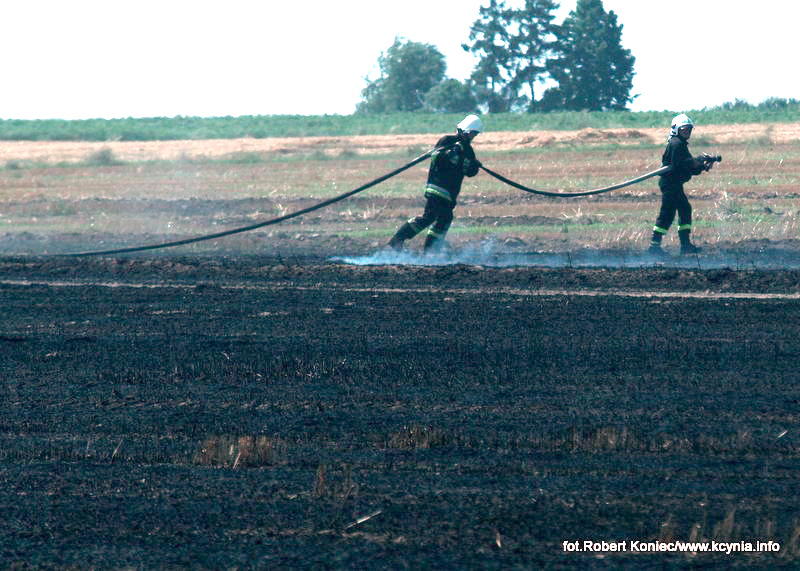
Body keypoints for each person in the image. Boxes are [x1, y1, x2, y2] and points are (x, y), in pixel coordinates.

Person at [388, 114, 483, 252]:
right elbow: (438, 158)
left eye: (474, 135)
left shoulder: (468, 150)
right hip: (437, 188)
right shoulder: (447, 141)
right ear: (465, 130)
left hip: (450, 193)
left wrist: (474, 166)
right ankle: (399, 241)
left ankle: (428, 250)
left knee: (443, 218)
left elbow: (469, 172)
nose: (472, 137)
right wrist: (456, 154)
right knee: (430, 217)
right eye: (471, 134)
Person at [648, 113, 716, 256]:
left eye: (689, 130)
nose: (687, 132)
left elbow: (687, 165)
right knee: (668, 213)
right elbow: (682, 165)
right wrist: (698, 163)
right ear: (676, 129)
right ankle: (655, 247)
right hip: (670, 184)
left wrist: (700, 166)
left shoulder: (679, 144)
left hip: (674, 184)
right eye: (684, 129)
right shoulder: (676, 144)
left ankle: (683, 245)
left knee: (684, 209)